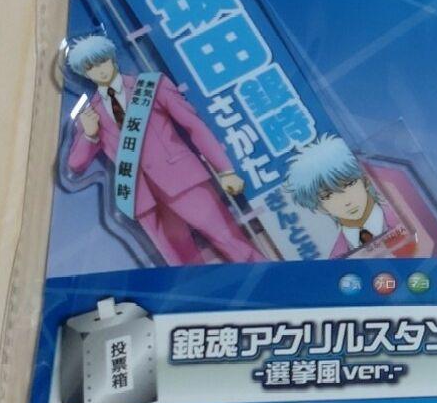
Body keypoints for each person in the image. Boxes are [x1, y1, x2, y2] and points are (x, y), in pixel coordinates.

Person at [66, 34, 263, 265]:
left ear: (112, 58)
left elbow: (193, 125)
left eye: (102, 61)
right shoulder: (92, 113)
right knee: (182, 266)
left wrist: (225, 170)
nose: (99, 70)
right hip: (142, 199)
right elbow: (75, 164)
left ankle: (275, 278)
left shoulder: (150, 85)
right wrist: (89, 135)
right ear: (84, 73)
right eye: (90, 67)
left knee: (231, 242)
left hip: (183, 181)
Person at [286, 134, 385, 258]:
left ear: (365, 180)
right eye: (327, 196)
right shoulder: (337, 257)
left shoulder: (403, 209)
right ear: (321, 207)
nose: (346, 202)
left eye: (349, 184)